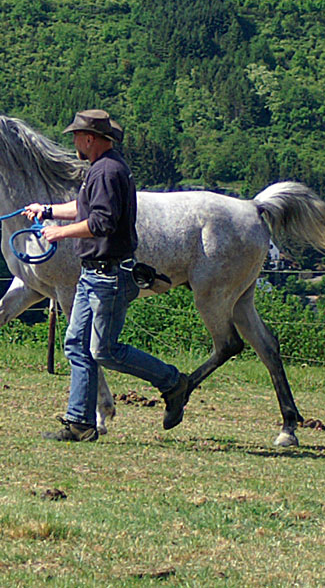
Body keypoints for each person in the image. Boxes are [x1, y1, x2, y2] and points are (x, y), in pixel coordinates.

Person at [24, 109, 191, 442]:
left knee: (105, 351)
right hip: (93, 275)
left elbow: (102, 223)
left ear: (89, 138)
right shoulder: (102, 169)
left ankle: (173, 382)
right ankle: (80, 424)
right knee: (76, 344)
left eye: (76, 136)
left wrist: (60, 234)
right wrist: (48, 210)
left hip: (108, 276)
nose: (73, 141)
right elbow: (84, 208)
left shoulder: (107, 172)